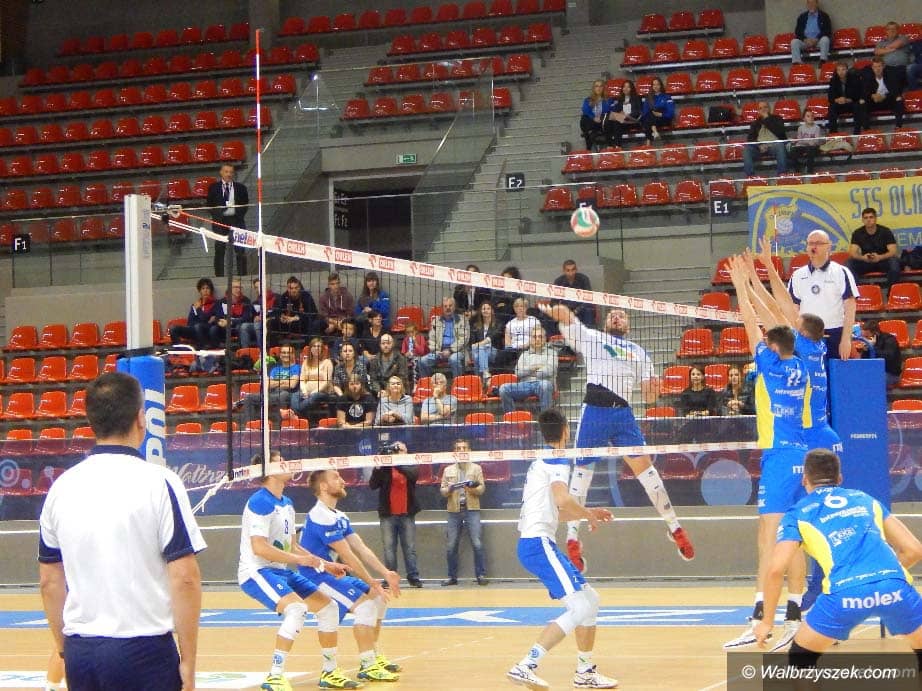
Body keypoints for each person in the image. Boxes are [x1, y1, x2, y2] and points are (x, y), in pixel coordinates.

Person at [38, 372, 205, 690]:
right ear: (141, 418)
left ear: (91, 422)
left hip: (81, 651)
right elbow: (185, 577)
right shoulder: (161, 482)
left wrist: (63, 650)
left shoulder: (60, 488)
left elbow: (49, 580)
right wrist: (189, 661)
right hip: (143, 651)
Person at [537, 303, 694, 572]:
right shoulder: (592, 337)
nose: (617, 317)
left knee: (648, 473)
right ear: (606, 322)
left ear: (628, 325)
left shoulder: (639, 352)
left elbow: (649, 397)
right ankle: (572, 540)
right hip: (595, 411)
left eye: (622, 315)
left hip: (623, 414)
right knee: (582, 476)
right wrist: (555, 305)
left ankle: (675, 528)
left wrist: (655, 389)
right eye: (612, 315)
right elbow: (568, 317)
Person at [753, 449, 922, 666]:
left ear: (804, 480)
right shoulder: (865, 500)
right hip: (894, 587)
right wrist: (882, 577)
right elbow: (914, 550)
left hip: (844, 593)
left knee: (800, 662)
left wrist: (766, 622)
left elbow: (776, 569)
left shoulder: (796, 514)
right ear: (839, 479)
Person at [723, 255, 811, 650]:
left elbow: (750, 323)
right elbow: (781, 323)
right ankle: (795, 615)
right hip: (800, 455)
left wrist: (741, 285)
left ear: (773, 348)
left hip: (779, 455)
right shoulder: (801, 365)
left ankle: (762, 618)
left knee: (770, 539)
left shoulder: (770, 366)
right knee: (790, 536)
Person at [506, 408, 616, 690]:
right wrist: (588, 515)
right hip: (537, 544)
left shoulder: (541, 461)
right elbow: (563, 499)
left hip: (538, 543)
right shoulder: (557, 459)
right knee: (580, 606)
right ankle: (526, 665)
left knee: (590, 600)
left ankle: (585, 672)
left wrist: (589, 512)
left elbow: (559, 510)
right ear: (566, 430)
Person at [237, 451, 348, 691]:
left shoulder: (286, 503)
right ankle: (275, 676)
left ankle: (330, 672)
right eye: (280, 461)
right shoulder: (260, 502)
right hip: (256, 571)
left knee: (329, 607)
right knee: (297, 608)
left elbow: (292, 545)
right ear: (268, 470)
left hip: (280, 570)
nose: (287, 464)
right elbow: (259, 547)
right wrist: (300, 560)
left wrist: (324, 564)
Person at [300, 469, 403, 685]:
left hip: (334, 574)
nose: (343, 481)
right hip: (315, 577)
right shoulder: (321, 516)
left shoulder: (338, 515)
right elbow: (348, 555)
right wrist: (370, 581)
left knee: (378, 597)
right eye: (336, 478)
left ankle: (372, 655)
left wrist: (385, 573)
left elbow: (361, 548)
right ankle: (367, 665)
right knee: (366, 607)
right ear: (323, 487)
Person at [788, 229, 858, 360]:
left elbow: (850, 307)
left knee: (835, 372)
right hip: (806, 336)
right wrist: (796, 336)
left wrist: (846, 340)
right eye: (810, 243)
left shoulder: (841, 272)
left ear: (829, 246)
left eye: (819, 243)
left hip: (834, 334)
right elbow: (793, 308)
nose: (814, 247)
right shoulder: (797, 275)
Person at [369, 442, 423, 587]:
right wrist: (380, 464)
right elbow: (373, 485)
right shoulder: (385, 467)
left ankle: (413, 577)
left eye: (401, 450)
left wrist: (395, 462)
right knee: (389, 548)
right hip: (388, 514)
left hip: (406, 513)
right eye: (395, 450)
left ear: (406, 452)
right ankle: (390, 577)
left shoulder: (411, 464)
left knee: (410, 547)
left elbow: (413, 476)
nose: (398, 452)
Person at [440, 439, 487, 586]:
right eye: (458, 448)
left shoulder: (476, 468)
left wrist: (469, 489)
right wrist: (449, 489)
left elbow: (481, 489)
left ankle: (480, 575)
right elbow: (442, 491)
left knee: (477, 543)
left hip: (472, 509)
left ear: (469, 451)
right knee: (451, 545)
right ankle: (451, 576)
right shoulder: (448, 470)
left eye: (464, 448)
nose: (461, 450)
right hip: (453, 510)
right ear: (454, 452)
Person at [500, 327, 559, 413]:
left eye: (540, 337)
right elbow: (518, 372)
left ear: (545, 339)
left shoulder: (552, 353)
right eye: (534, 337)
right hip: (525, 384)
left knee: (545, 385)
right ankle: (511, 418)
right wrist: (534, 367)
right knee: (504, 388)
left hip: (542, 383)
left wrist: (528, 372)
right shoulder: (524, 354)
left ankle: (546, 419)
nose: (537, 339)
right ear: (531, 339)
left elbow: (549, 370)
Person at [206, 162, 248, 277]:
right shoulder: (213, 188)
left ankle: (242, 275)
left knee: (240, 250)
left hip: (237, 222)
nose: (229, 174)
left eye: (231, 172)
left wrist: (238, 216)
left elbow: (245, 205)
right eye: (226, 172)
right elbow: (209, 205)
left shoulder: (241, 188)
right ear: (221, 172)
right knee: (219, 249)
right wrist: (217, 216)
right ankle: (219, 276)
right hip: (219, 223)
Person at [243, 343, 301, 424]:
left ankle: (282, 425)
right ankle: (250, 426)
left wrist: (275, 383)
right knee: (248, 397)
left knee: (282, 395)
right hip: (271, 393)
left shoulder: (297, 367)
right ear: (280, 355)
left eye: (289, 353)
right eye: (284, 353)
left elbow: (292, 385)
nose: (286, 355)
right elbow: (267, 385)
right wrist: (283, 381)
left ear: (293, 355)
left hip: (287, 394)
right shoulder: (274, 368)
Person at [847, 206, 901, 289]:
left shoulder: (885, 231)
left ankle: (891, 292)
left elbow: (893, 251)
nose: (868, 220)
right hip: (866, 262)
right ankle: (856, 292)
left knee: (894, 263)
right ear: (862, 220)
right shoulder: (857, 233)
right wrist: (863, 258)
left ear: (875, 218)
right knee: (849, 264)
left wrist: (880, 257)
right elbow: (852, 253)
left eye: (871, 217)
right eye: (866, 218)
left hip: (882, 261)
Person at [418, 296, 469, 378]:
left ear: (454, 307)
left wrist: (450, 350)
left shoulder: (462, 320)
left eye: (450, 305)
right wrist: (437, 350)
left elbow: (464, 339)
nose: (448, 308)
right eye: (445, 306)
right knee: (422, 361)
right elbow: (432, 339)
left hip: (457, 351)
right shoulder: (436, 321)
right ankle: (427, 383)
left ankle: (457, 384)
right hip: (439, 351)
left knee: (454, 359)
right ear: (442, 308)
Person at [169, 277, 222, 349]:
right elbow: (190, 322)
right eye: (203, 288)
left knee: (198, 326)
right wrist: (207, 319)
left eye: (207, 288)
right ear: (200, 291)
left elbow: (215, 321)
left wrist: (199, 310)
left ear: (211, 290)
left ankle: (203, 348)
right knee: (173, 328)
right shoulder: (195, 305)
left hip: (207, 331)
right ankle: (180, 350)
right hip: (194, 330)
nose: (205, 291)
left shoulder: (216, 303)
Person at [290, 337, 334, 419]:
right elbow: (302, 380)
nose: (316, 348)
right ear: (310, 349)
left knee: (314, 396)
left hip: (322, 392)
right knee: (295, 395)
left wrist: (314, 392)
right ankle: (299, 417)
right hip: (307, 391)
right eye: (314, 346)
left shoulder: (327, 362)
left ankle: (296, 416)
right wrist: (304, 391)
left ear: (322, 349)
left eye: (319, 346)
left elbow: (326, 381)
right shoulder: (306, 362)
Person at [860, 56, 906, 130]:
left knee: (899, 100)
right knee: (862, 102)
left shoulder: (891, 75)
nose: (877, 69)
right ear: (872, 68)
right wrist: (872, 96)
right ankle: (866, 129)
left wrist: (885, 96)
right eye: (875, 67)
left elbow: (895, 91)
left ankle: (898, 126)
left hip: (887, 100)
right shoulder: (868, 77)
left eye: (879, 66)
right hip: (874, 101)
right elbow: (864, 92)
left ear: (883, 67)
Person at [742, 101, 787, 177]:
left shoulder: (778, 119)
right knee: (747, 149)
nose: (763, 109)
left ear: (769, 108)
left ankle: (782, 174)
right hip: (760, 147)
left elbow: (780, 133)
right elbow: (750, 139)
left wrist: (767, 119)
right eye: (760, 108)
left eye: (765, 107)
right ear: (758, 111)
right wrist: (759, 145)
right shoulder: (755, 123)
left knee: (780, 145)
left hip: (774, 145)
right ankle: (750, 176)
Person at [855, 318, 903, 388]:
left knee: (872, 382)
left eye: (867, 337)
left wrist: (872, 348)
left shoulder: (889, 339)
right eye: (863, 337)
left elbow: (888, 357)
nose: (864, 340)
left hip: (890, 373)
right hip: (873, 372)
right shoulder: (866, 344)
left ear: (876, 334)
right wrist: (865, 351)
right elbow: (865, 361)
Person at [500, 297, 543, 371]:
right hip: (513, 349)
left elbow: (537, 336)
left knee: (523, 354)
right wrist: (511, 346)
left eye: (522, 306)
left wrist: (526, 345)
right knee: (500, 356)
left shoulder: (534, 320)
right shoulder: (510, 323)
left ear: (526, 308)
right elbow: (507, 340)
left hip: (529, 347)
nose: (519, 308)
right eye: (517, 306)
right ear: (514, 309)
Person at [271, 276, 318, 344]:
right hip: (287, 324)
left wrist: (295, 318)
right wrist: (281, 317)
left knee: (313, 323)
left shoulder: (306, 296)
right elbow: (276, 312)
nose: (294, 290)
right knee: (272, 323)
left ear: (299, 288)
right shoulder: (284, 297)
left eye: (296, 288)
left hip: (302, 324)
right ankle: (274, 347)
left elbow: (314, 313)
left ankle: (307, 346)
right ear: (287, 289)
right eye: (291, 288)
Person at [468, 300, 504, 385]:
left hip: (493, 351)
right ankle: (486, 377)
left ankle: (478, 382)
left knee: (478, 353)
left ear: (492, 311)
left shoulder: (498, 324)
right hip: (478, 351)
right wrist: (477, 346)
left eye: (488, 308)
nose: (486, 310)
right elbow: (472, 343)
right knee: (477, 356)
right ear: (480, 311)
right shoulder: (475, 326)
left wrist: (481, 344)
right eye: (484, 309)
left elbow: (493, 336)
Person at [553, 259, 595, 326]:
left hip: (580, 308)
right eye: (568, 270)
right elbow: (554, 302)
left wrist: (576, 311)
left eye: (573, 270)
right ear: (564, 271)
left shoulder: (584, 279)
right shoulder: (558, 281)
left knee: (589, 308)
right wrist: (562, 310)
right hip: (565, 309)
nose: (571, 273)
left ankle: (588, 331)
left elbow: (589, 299)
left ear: (576, 270)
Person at [826, 60, 864, 134]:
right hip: (839, 104)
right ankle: (833, 132)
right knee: (831, 108)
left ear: (847, 70)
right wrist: (837, 100)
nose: (841, 72)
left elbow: (858, 94)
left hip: (850, 103)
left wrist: (848, 99)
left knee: (858, 106)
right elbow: (830, 97)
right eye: (839, 70)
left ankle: (857, 132)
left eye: (843, 69)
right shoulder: (833, 80)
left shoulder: (854, 78)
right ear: (836, 71)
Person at [217, 277, 256, 348]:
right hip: (225, 326)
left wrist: (231, 322)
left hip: (239, 325)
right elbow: (218, 315)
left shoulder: (245, 300)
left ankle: (242, 349)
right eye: (235, 287)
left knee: (240, 327)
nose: (238, 290)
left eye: (240, 287)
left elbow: (246, 318)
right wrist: (220, 322)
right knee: (214, 329)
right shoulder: (222, 301)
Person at [790, 0, 831, 64]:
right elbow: (797, 32)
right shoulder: (802, 17)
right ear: (807, 5)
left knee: (825, 39)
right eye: (809, 3)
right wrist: (805, 39)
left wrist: (817, 39)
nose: (811, 5)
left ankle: (823, 62)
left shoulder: (824, 16)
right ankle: (797, 64)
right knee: (794, 42)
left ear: (817, 4)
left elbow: (827, 31)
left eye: (813, 3)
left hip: (818, 41)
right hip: (805, 41)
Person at [242, 276, 276, 350]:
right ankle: (245, 352)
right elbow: (252, 317)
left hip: (272, 325)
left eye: (261, 286)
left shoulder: (276, 298)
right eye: (256, 287)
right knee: (244, 326)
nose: (259, 289)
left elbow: (278, 314)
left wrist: (265, 318)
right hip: (258, 326)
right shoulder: (255, 303)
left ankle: (261, 351)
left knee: (258, 324)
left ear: (266, 285)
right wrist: (255, 318)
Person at [607, 79, 642, 149]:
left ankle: (615, 145)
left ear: (631, 89)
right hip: (623, 121)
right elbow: (616, 111)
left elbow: (638, 112)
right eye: (624, 87)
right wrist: (619, 112)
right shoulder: (620, 99)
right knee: (611, 120)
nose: (625, 89)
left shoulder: (637, 98)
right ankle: (617, 146)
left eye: (628, 87)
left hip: (633, 121)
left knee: (617, 122)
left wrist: (628, 114)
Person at [579, 79, 613, 151]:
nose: (598, 88)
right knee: (584, 118)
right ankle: (589, 146)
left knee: (607, 119)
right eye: (596, 86)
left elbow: (608, 110)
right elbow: (585, 110)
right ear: (594, 88)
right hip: (592, 122)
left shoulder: (608, 99)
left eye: (601, 86)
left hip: (603, 121)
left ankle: (609, 145)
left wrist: (600, 117)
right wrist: (594, 117)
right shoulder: (588, 100)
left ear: (603, 88)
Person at [788, 109, 824, 174]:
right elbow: (799, 140)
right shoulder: (800, 128)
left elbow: (816, 141)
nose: (811, 118)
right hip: (803, 146)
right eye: (808, 116)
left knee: (811, 149)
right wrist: (808, 141)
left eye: (812, 116)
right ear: (804, 118)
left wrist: (805, 141)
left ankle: (809, 170)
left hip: (813, 147)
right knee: (792, 151)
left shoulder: (817, 128)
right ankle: (797, 170)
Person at [319, 272, 356, 337]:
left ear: (339, 283)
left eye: (337, 283)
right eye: (332, 284)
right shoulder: (323, 297)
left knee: (354, 323)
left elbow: (350, 313)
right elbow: (324, 315)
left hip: (344, 320)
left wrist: (342, 322)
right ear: (328, 285)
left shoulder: (347, 295)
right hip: (330, 321)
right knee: (317, 324)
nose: (335, 286)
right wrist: (334, 323)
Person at [400, 321, 428, 390]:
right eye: (408, 332)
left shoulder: (421, 338)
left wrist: (415, 342)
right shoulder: (405, 340)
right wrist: (406, 354)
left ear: (416, 331)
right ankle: (405, 385)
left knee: (415, 362)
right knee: (402, 362)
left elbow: (421, 352)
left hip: (419, 357)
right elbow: (403, 352)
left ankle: (416, 383)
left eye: (412, 332)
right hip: (409, 358)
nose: (410, 334)